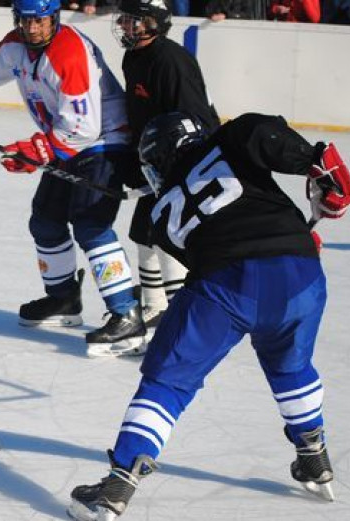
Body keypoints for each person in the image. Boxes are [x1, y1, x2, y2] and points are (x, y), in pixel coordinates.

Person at [67, 112, 350, 521]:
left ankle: (121, 480)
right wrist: (314, 159)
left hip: (226, 285)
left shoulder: (157, 214)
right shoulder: (229, 138)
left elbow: (207, 248)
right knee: (290, 365)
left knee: (168, 382)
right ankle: (314, 456)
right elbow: (259, 131)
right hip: (299, 272)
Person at [0, 0, 145, 357]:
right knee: (45, 219)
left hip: (103, 141)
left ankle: (127, 315)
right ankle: (63, 299)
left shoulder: (69, 52)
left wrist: (39, 149)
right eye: (25, 20)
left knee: (91, 224)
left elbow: (84, 126)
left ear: (54, 18)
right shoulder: (16, 45)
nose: (32, 28)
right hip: (66, 143)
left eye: (40, 21)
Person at [113, 0, 218, 328]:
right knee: (143, 232)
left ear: (153, 22)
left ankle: (180, 314)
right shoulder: (133, 56)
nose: (124, 25)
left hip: (183, 162)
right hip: (154, 161)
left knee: (165, 234)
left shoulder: (171, 61)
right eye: (124, 18)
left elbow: (196, 120)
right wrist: (136, 159)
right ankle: (155, 305)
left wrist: (177, 167)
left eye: (132, 19)